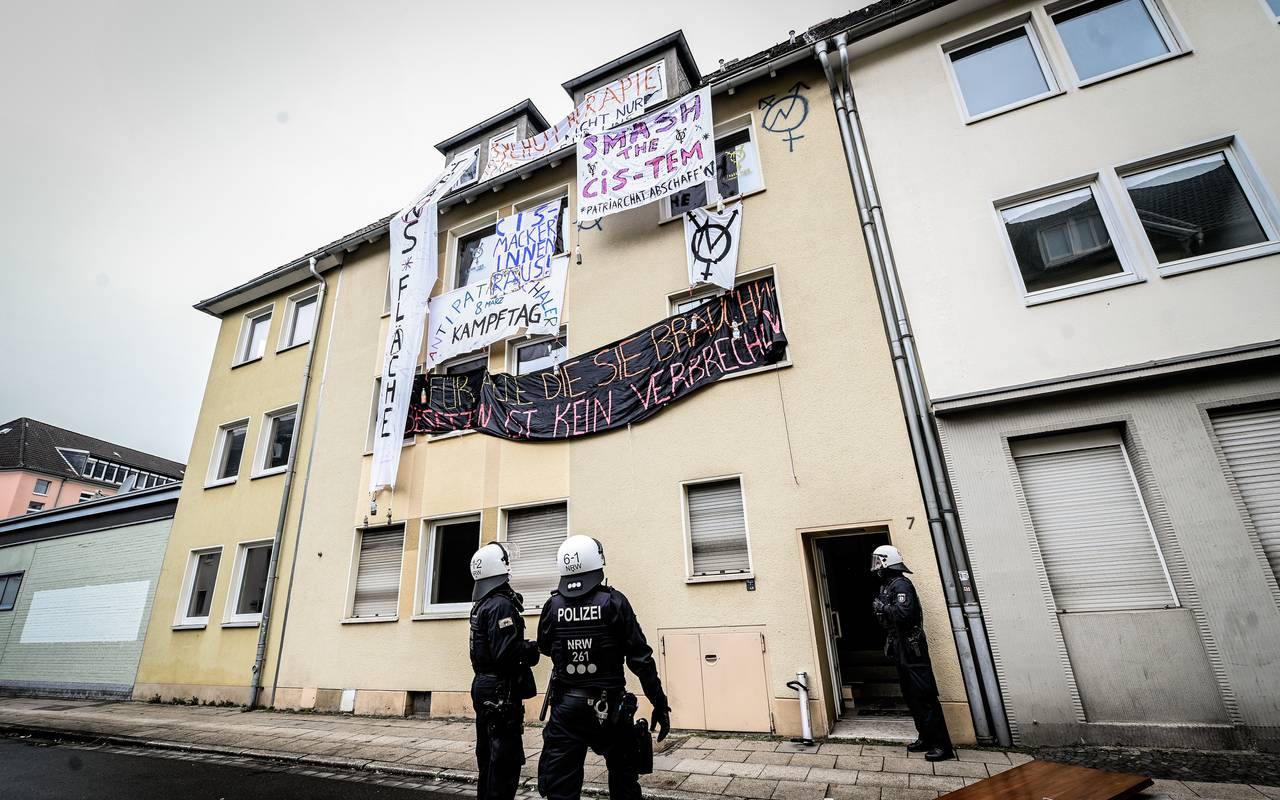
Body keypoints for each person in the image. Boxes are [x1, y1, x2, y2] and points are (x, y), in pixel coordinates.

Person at [537, 535, 671, 800]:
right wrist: (659, 703)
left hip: (566, 709)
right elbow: (640, 659)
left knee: (560, 789)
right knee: (624, 782)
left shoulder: (552, 606)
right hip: (610, 709)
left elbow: (544, 646)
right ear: (596, 562)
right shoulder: (614, 601)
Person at [870, 544, 954, 762]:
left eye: (878, 562)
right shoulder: (888, 586)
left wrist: (883, 608)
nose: (876, 567)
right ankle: (925, 737)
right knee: (910, 694)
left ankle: (942, 745)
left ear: (887, 562)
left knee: (924, 695)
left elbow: (904, 615)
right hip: (900, 645)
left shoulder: (901, 585)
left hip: (911, 646)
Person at [470, 542, 541, 800]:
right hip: (500, 691)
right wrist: (533, 649)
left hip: (485, 686)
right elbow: (506, 653)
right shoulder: (501, 605)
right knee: (503, 764)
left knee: (488, 761)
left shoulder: (483, 603)